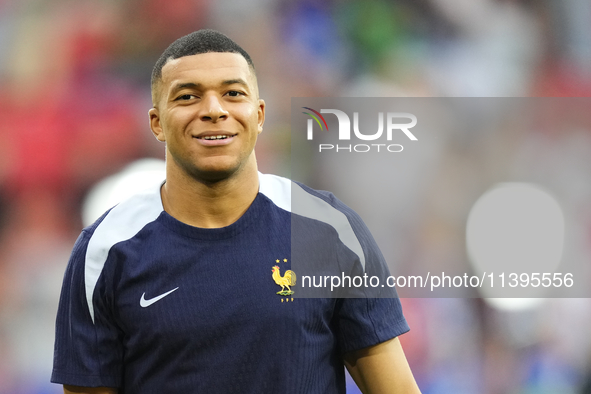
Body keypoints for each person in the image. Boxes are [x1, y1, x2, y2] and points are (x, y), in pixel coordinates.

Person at [51, 29, 421, 394]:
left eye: (232, 93)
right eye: (187, 96)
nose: (213, 110)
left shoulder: (329, 231)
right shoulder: (104, 251)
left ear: (259, 115)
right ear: (157, 123)